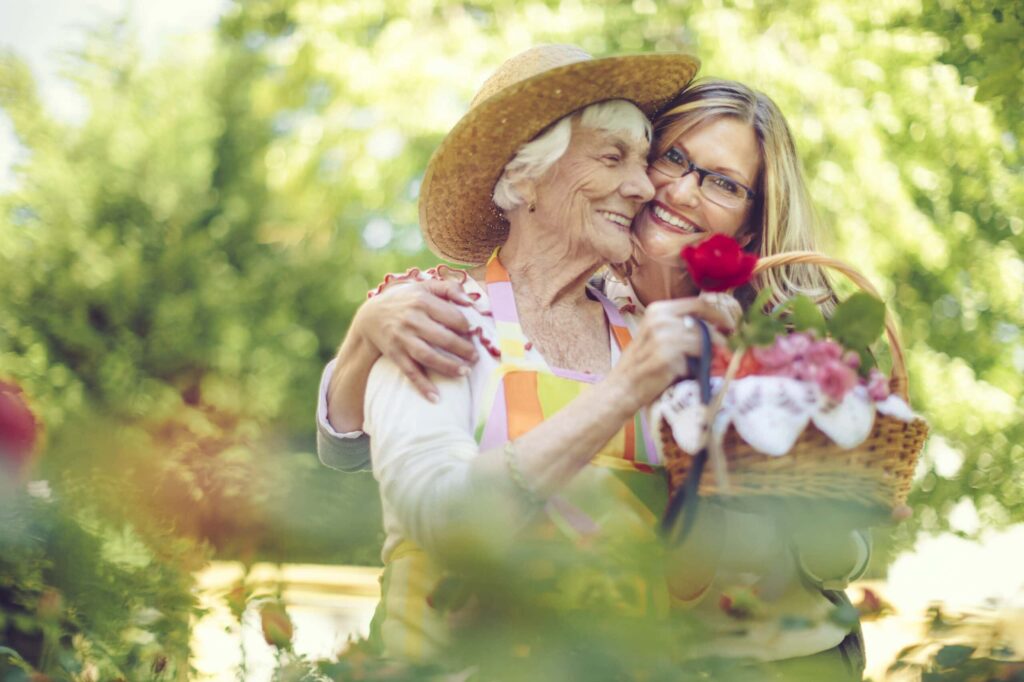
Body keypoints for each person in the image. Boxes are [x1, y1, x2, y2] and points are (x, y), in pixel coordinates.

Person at [319, 64, 870, 676]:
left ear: (752, 218)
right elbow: (383, 473)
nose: (659, 189)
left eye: (722, 182)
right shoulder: (443, 312)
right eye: (662, 158)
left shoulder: (760, 334)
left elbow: (810, 550)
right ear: (528, 176)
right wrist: (364, 337)